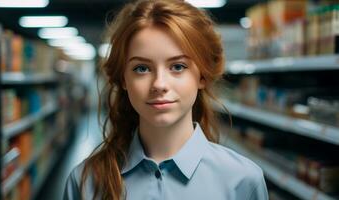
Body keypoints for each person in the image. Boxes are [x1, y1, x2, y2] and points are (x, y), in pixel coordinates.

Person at [63, 0, 269, 199]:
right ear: (123, 79)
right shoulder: (85, 182)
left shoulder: (243, 182)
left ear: (202, 76)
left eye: (178, 67)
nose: (159, 84)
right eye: (141, 68)